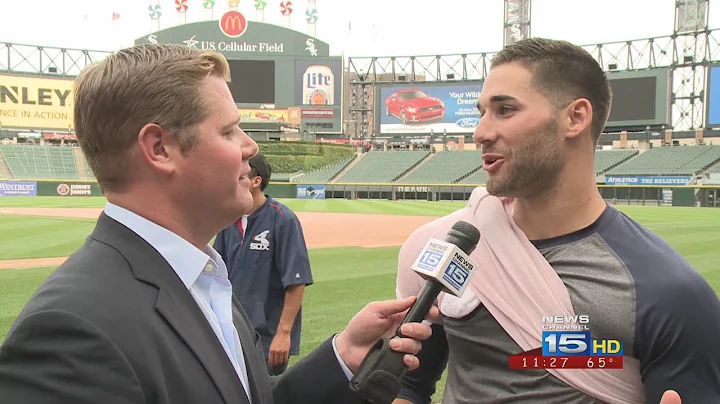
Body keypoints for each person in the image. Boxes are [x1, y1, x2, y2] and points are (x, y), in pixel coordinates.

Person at [0, 44, 437, 404]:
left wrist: (342, 356)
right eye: (229, 131)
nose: (249, 147)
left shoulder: (203, 278)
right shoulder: (71, 330)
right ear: (160, 148)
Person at [393, 38, 720, 404]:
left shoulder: (669, 293)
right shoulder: (449, 246)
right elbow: (409, 386)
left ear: (575, 118)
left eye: (505, 110)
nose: (481, 132)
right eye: (483, 111)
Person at [213, 152, 313, 376]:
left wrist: (284, 333)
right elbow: (216, 275)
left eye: (241, 175)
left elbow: (296, 282)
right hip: (231, 331)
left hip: (268, 339)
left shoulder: (282, 219)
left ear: (256, 181)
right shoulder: (228, 219)